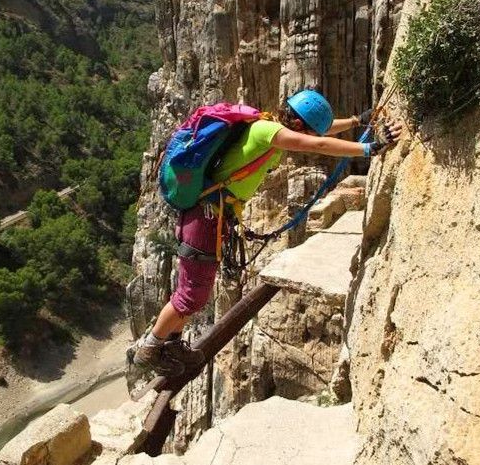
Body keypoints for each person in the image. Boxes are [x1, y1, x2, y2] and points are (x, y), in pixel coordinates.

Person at [134, 89, 402, 376]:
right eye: (308, 129)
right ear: (298, 125)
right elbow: (318, 144)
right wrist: (369, 148)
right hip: (205, 217)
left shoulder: (268, 124)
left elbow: (318, 133)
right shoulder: (268, 131)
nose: (309, 134)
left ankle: (170, 344)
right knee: (191, 295)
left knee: (195, 290)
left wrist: (354, 121)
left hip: (211, 215)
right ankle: (149, 350)